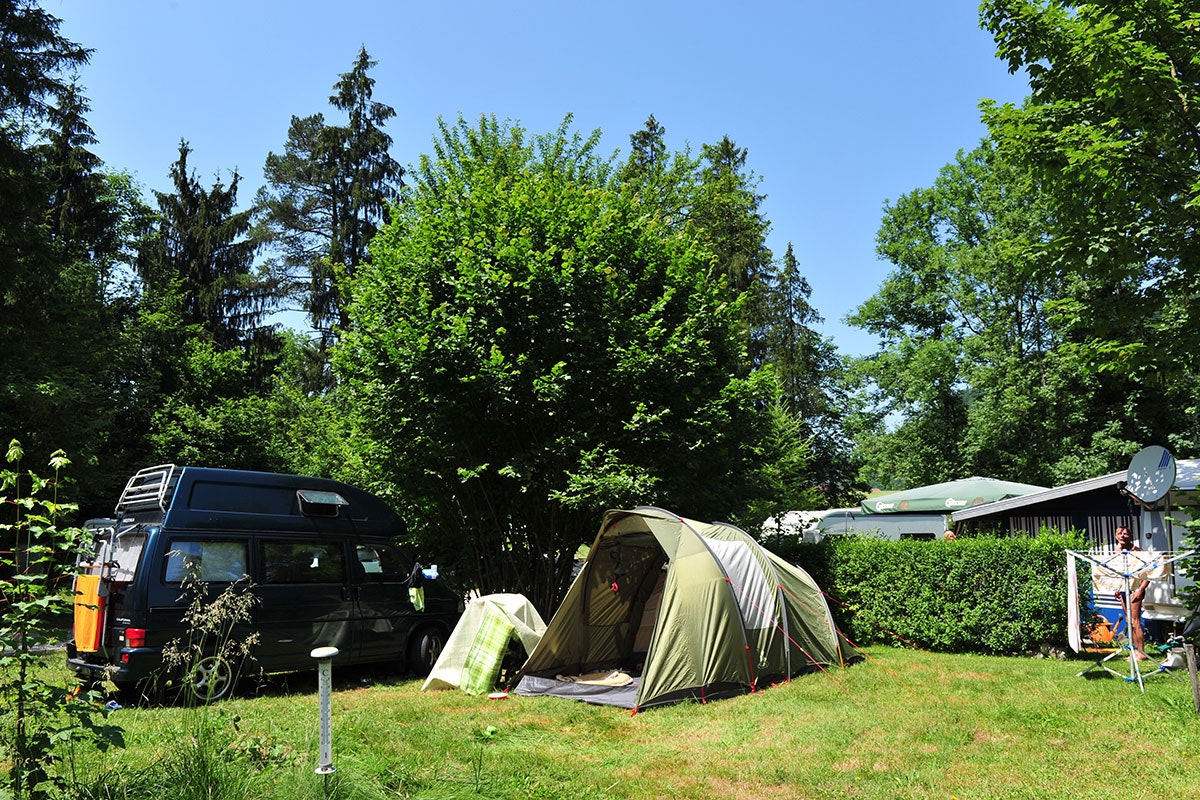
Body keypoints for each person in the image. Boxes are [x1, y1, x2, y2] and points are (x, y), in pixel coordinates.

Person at [1114, 526, 1149, 659]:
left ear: (1131, 536)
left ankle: (1141, 653)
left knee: (1135, 621)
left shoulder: (1138, 552)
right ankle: (1136, 651)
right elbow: (1118, 573)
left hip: (1135, 589)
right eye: (1119, 533)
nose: (1122, 536)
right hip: (1123, 589)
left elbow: (1148, 574)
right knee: (1129, 621)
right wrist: (1117, 589)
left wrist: (1141, 590)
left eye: (1125, 534)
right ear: (1116, 536)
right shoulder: (1117, 551)